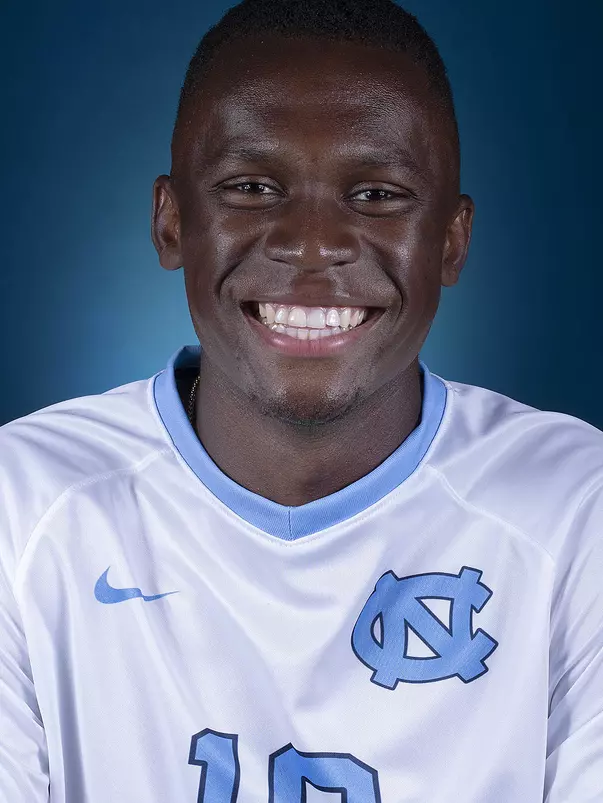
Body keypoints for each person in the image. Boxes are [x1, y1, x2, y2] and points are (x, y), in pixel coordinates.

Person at [1, 0, 601, 800]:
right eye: (251, 186)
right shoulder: (22, 507)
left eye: (377, 194)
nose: (312, 245)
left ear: (451, 242)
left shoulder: (576, 510)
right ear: (171, 222)